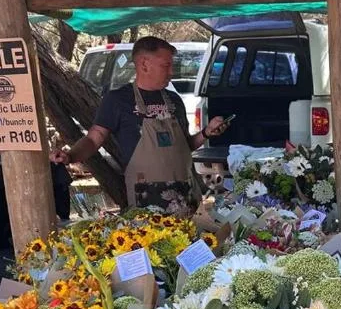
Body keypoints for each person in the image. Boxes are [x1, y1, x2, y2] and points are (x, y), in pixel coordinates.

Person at [50, 35, 227, 206]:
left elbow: (184, 146)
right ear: (144, 65)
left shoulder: (175, 100)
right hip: (147, 198)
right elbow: (93, 139)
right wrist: (71, 155)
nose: (171, 72)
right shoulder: (118, 100)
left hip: (186, 194)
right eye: (166, 65)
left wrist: (206, 133)